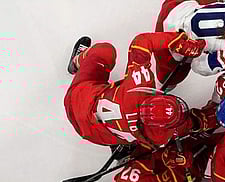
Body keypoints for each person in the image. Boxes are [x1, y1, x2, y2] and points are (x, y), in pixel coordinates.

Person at [64, 31, 216, 150]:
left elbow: (141, 42)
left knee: (105, 51)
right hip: (95, 135)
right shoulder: (159, 136)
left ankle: (76, 62)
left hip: (79, 97)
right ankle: (122, 142)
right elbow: (192, 123)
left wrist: (177, 40)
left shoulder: (137, 88)